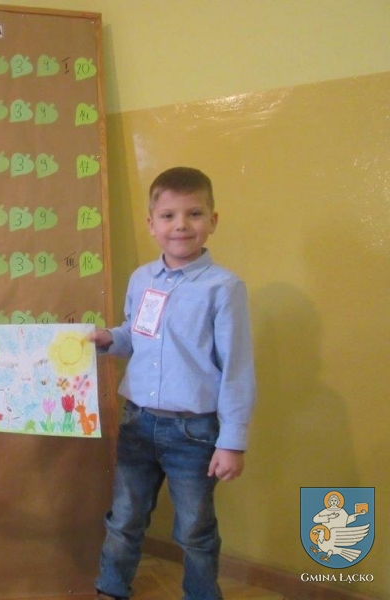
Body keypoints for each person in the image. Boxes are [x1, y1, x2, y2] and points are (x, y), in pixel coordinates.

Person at [91, 167, 256, 600]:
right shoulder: (142, 279)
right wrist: (109, 338)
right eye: (168, 215)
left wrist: (232, 441)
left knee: (195, 530)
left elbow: (237, 369)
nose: (181, 225)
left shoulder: (224, 288)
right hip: (137, 422)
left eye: (194, 213)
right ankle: (111, 588)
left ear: (213, 220)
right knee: (125, 517)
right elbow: (135, 335)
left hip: (194, 432)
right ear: (152, 224)